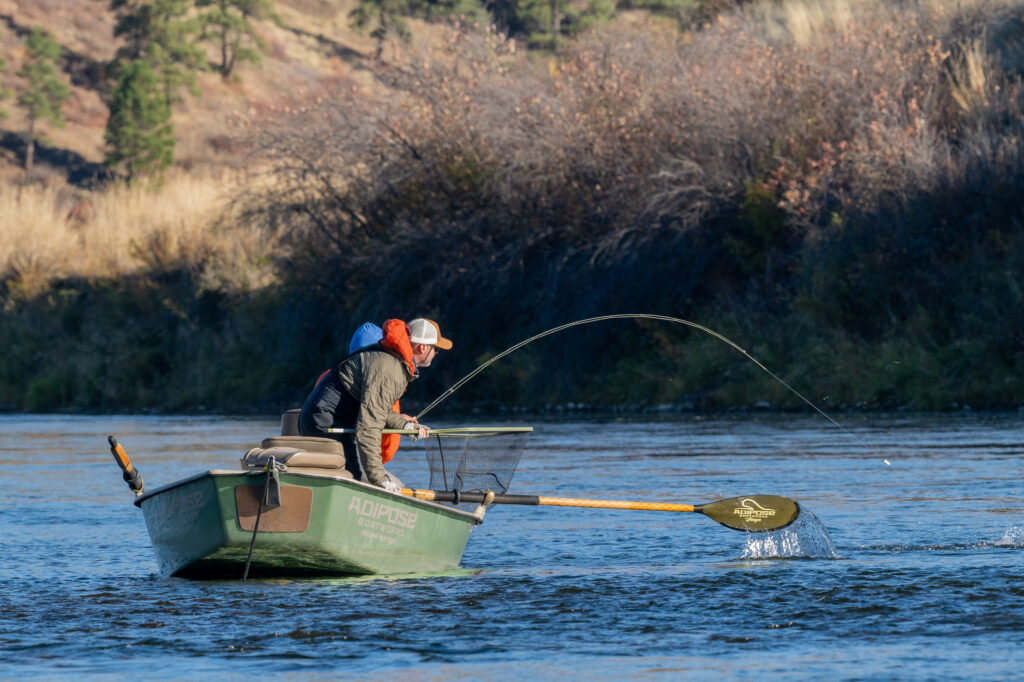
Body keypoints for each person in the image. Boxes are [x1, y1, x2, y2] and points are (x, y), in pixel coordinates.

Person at [298, 318, 453, 492]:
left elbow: (376, 409)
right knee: (350, 483)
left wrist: (405, 425)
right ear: (423, 347)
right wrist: (379, 479)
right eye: (436, 349)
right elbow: (369, 427)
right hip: (325, 421)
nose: (437, 353)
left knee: (351, 479)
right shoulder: (389, 368)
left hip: (323, 417)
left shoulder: (390, 360)